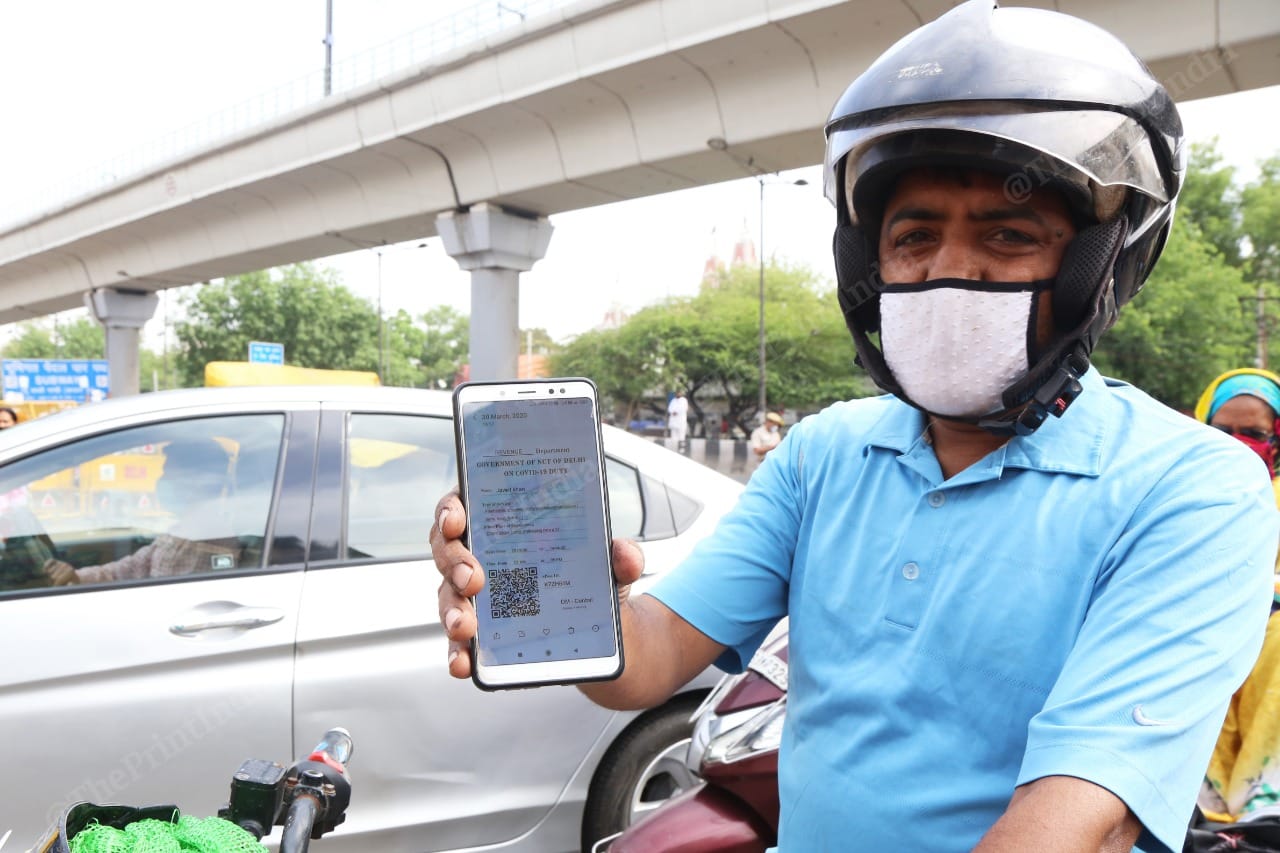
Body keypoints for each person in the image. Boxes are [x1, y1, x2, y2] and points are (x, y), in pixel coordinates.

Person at [432, 3, 1278, 851]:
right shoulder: (823, 454)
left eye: (1009, 234)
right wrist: (569, 604)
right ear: (869, 266)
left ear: (1100, 267)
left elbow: (1075, 821)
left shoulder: (1195, 487)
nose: (951, 268)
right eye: (914, 236)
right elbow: (648, 661)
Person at [1193, 369, 1280, 826]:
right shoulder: (1181, 491)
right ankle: (1193, 794)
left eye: (1255, 434)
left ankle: (1261, 801)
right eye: (1223, 431)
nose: (1237, 442)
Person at [44, 438, 238, 585]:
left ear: (198, 481)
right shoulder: (184, 529)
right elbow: (132, 567)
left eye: (169, 473)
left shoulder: (207, 538)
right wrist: (77, 577)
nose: (162, 480)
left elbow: (164, 596)